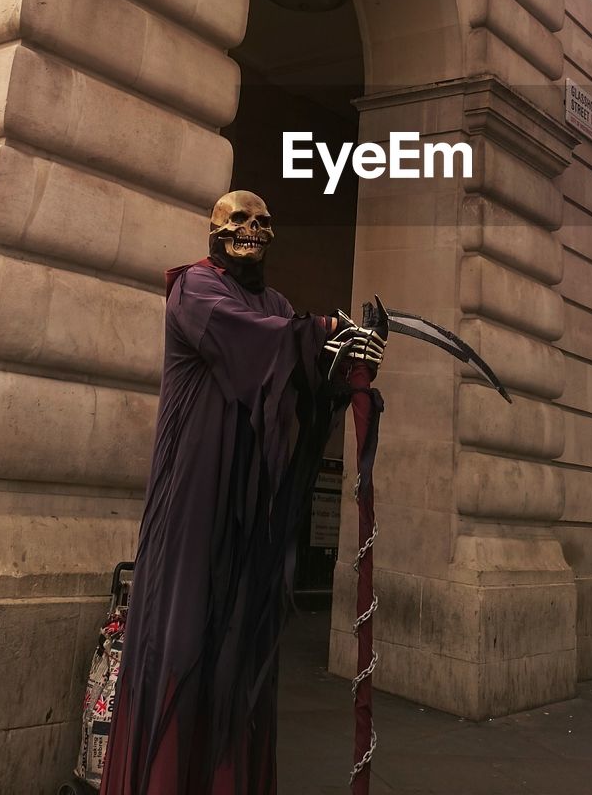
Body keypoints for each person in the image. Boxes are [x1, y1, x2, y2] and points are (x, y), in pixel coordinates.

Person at [100, 190, 386, 795]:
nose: (252, 231)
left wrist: (348, 365)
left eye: (263, 222)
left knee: (243, 646)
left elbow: (298, 375)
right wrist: (325, 334)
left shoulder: (276, 304)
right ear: (215, 231)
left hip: (251, 504)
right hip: (193, 500)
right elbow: (263, 343)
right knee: (184, 637)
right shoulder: (193, 290)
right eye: (239, 220)